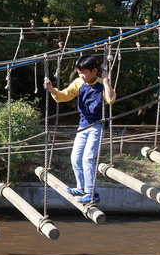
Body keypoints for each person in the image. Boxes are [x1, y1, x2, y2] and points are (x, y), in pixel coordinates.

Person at [44, 54, 116, 203]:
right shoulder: (78, 83)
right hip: (83, 126)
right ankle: (81, 187)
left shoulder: (102, 84)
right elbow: (63, 95)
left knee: (88, 158)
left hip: (97, 126)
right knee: (75, 157)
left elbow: (110, 99)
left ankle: (92, 193)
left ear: (94, 71)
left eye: (84, 72)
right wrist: (52, 90)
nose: (81, 75)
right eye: (79, 72)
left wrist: (107, 80)